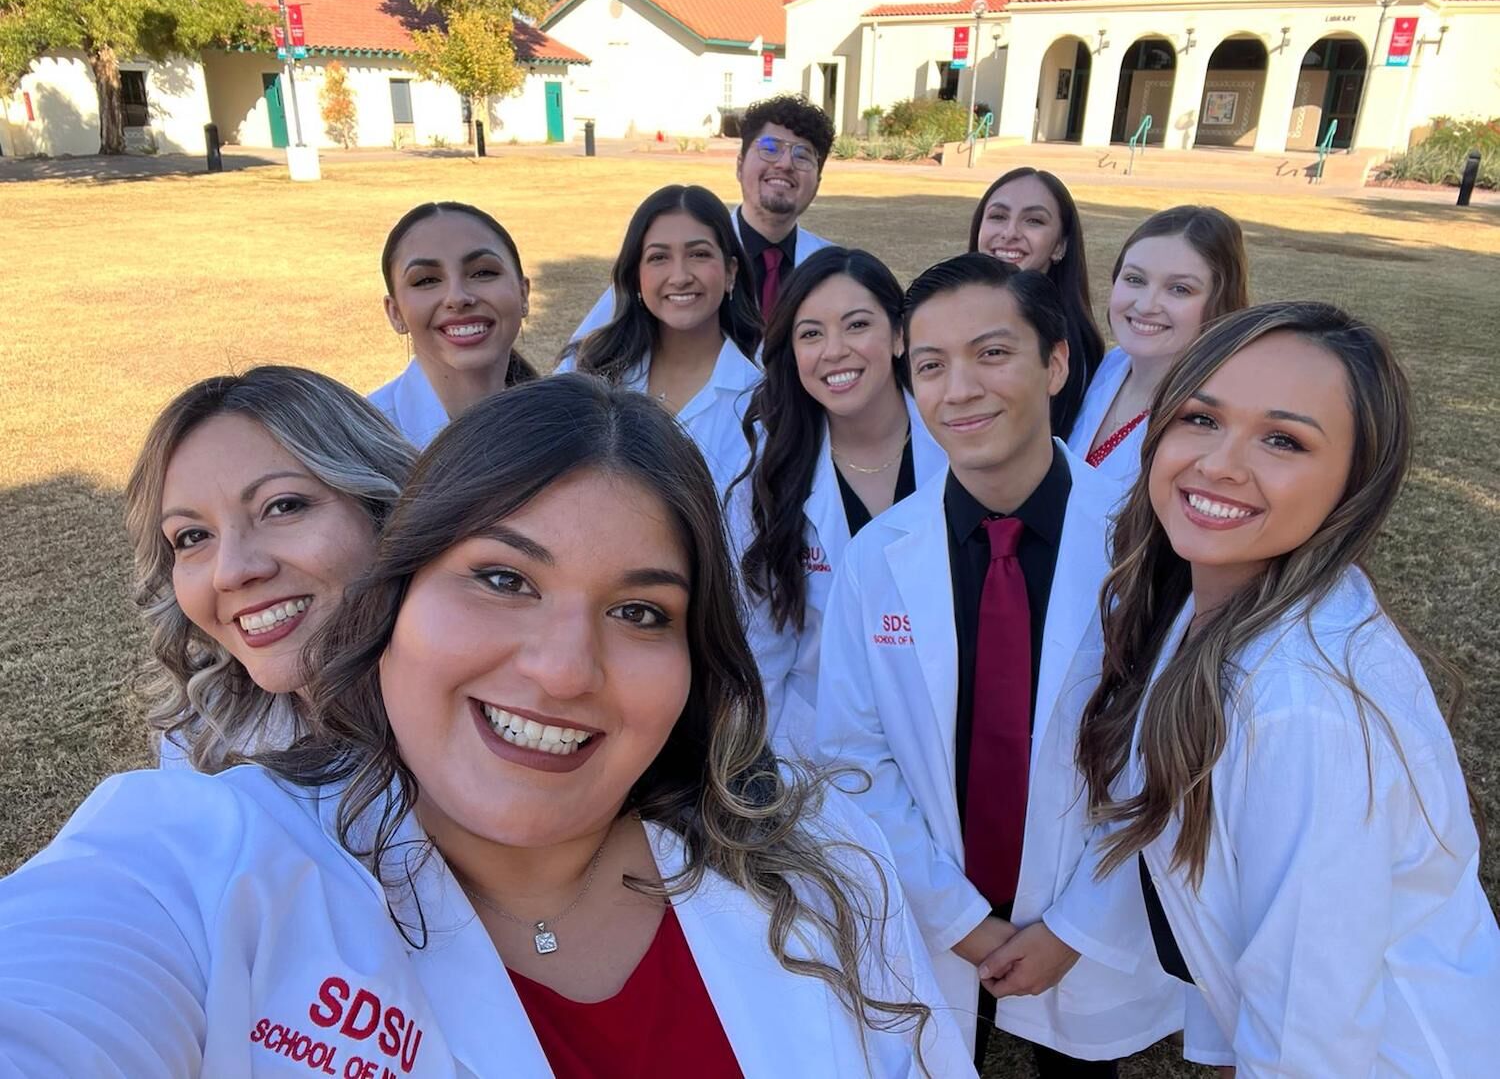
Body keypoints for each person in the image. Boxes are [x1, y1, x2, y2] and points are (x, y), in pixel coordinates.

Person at [0, 376, 975, 1078]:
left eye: (641, 612)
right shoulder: (201, 862)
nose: (561, 668)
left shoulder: (823, 866)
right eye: (502, 579)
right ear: (395, 597)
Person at [1070, 301, 1500, 1074]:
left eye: (1283, 439)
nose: (1221, 464)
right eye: (1201, 418)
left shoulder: (1304, 710)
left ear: (1354, 482)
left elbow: (1312, 1035)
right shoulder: (1214, 602)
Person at [815, 254, 1181, 1071]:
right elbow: (854, 757)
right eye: (930, 366)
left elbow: (1166, 754)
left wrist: (1076, 924)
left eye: (991, 353)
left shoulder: (1146, 547)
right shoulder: (879, 560)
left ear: (1055, 364)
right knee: (931, 1051)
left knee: (1078, 1063)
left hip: (1088, 907)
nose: (959, 390)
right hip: (938, 901)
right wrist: (958, 918)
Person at [123, 365, 415, 772]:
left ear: (383, 510)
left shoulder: (501, 711)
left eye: (282, 506)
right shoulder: (196, 746)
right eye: (192, 537)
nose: (230, 572)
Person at [728, 247, 946, 754]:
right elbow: (759, 651)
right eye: (810, 334)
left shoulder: (958, 450)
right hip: (816, 750)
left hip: (945, 734)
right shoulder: (768, 476)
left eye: (856, 325)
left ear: (898, 336)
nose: (834, 351)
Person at [569, 94, 836, 340]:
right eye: (770, 147)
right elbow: (580, 355)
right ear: (740, 165)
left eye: (803, 155)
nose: (785, 164)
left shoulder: (832, 269)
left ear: (818, 180)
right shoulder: (681, 253)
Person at [558, 184, 763, 488]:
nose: (680, 277)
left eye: (699, 254)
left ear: (731, 272)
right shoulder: (584, 368)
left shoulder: (764, 396)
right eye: (658, 258)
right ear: (636, 276)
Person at [1066, 206, 1248, 494]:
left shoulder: (1213, 419)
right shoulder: (1109, 366)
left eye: (1179, 289)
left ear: (1220, 302)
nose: (1146, 305)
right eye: (1135, 280)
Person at [370, 201, 539, 447]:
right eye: (426, 280)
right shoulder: (357, 446)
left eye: (483, 273)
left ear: (523, 294)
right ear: (395, 313)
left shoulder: (574, 428)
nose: (458, 298)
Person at [968, 168, 1104, 440]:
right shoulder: (936, 318)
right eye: (998, 216)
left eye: (1033, 221)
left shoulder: (1077, 352)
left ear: (1060, 246)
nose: (1009, 232)